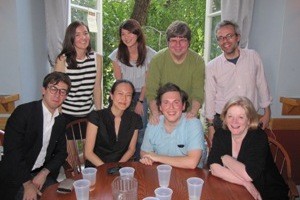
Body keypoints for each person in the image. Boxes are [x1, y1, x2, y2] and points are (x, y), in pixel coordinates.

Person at [0, 72, 71, 200]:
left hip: (41, 174)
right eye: (53, 88)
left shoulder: (60, 120)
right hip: (16, 178)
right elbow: (12, 152)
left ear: (65, 96)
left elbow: (61, 153)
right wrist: (27, 184)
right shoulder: (23, 113)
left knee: (64, 197)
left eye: (62, 91)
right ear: (43, 90)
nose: (57, 94)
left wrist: (44, 173)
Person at [207, 96, 289, 200]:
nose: (234, 121)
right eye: (230, 116)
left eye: (241, 117)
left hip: (268, 191)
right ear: (225, 118)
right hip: (238, 188)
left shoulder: (258, 136)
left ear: (249, 120)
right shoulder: (221, 134)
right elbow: (214, 169)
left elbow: (248, 174)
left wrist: (225, 157)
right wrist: (245, 183)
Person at [205, 20, 272, 143]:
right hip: (223, 121)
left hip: (250, 119)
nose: (225, 41)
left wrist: (267, 112)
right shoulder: (212, 66)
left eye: (229, 36)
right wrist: (210, 127)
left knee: (249, 157)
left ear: (238, 37)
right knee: (223, 158)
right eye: (221, 38)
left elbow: (262, 85)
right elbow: (209, 97)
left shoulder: (253, 57)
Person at [109, 19, 156, 160]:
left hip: (142, 94)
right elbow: (119, 82)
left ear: (138, 34)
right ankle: (121, 159)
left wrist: (140, 102)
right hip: (124, 93)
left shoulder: (150, 54)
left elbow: (148, 82)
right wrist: (124, 99)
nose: (126, 37)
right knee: (121, 127)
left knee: (140, 127)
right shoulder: (116, 54)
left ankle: (139, 160)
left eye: (130, 33)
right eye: (123, 34)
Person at [146, 20, 205, 124]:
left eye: (182, 40)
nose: (178, 45)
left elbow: (198, 93)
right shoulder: (157, 60)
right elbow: (151, 92)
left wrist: (193, 113)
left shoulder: (197, 61)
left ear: (189, 42)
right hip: (161, 114)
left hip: (187, 114)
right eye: (173, 40)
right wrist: (156, 113)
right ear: (168, 42)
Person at [140, 83, 206, 169]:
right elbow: (144, 152)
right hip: (161, 174)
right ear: (160, 107)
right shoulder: (154, 123)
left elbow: (192, 162)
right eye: (166, 102)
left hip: (190, 177)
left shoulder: (193, 124)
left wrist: (156, 157)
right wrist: (147, 158)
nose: (171, 107)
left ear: (183, 106)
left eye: (176, 102)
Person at [84, 80, 143, 167]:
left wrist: (118, 166)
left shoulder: (135, 119)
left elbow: (131, 149)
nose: (124, 98)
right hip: (97, 167)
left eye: (128, 95)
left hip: (120, 166)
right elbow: (88, 153)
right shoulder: (96, 116)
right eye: (120, 93)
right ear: (111, 95)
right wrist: (106, 169)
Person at [55, 21, 102, 125]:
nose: (83, 38)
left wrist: (99, 113)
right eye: (77, 35)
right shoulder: (62, 60)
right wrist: (59, 114)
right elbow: (58, 90)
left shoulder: (97, 58)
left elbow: (97, 88)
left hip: (88, 114)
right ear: (71, 38)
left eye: (85, 33)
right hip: (66, 114)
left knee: (89, 141)